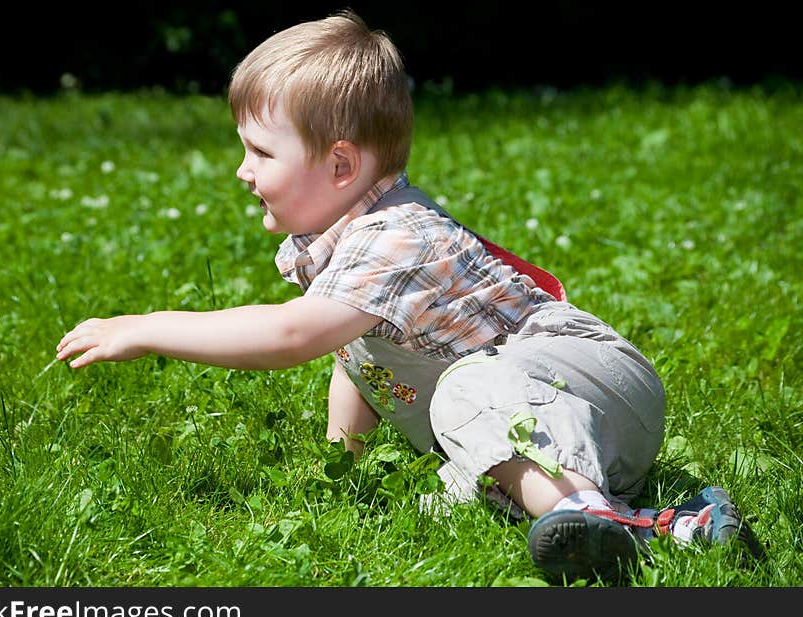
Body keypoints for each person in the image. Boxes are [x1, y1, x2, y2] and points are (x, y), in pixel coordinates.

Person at [55, 9, 761, 582]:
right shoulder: (338, 244)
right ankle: (681, 523)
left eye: (261, 152)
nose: (243, 171)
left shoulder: (396, 237)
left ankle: (592, 516)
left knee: (460, 391)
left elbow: (292, 336)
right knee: (441, 501)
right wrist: (345, 469)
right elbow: (355, 357)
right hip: (559, 417)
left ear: (340, 164)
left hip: (593, 377)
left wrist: (145, 325)